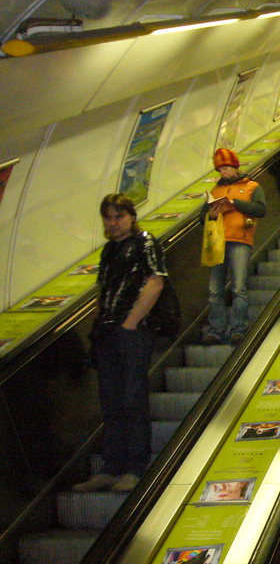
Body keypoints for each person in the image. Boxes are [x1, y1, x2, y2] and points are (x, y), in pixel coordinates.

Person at [73, 193, 167, 493]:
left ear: (131, 216)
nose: (113, 223)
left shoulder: (144, 242)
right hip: (107, 333)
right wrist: (99, 326)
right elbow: (103, 290)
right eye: (108, 217)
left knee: (132, 400)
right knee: (111, 402)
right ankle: (111, 468)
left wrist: (131, 322)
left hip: (133, 333)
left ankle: (136, 469)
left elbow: (155, 281)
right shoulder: (109, 251)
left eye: (119, 216)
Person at [203, 148, 267, 345]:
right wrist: (212, 214)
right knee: (215, 289)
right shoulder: (214, 191)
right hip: (218, 242)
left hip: (240, 240)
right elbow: (202, 217)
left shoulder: (252, 186)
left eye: (225, 168)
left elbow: (261, 210)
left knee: (238, 287)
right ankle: (216, 329)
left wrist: (235, 203)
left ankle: (238, 328)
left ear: (234, 167)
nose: (222, 173)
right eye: (220, 169)